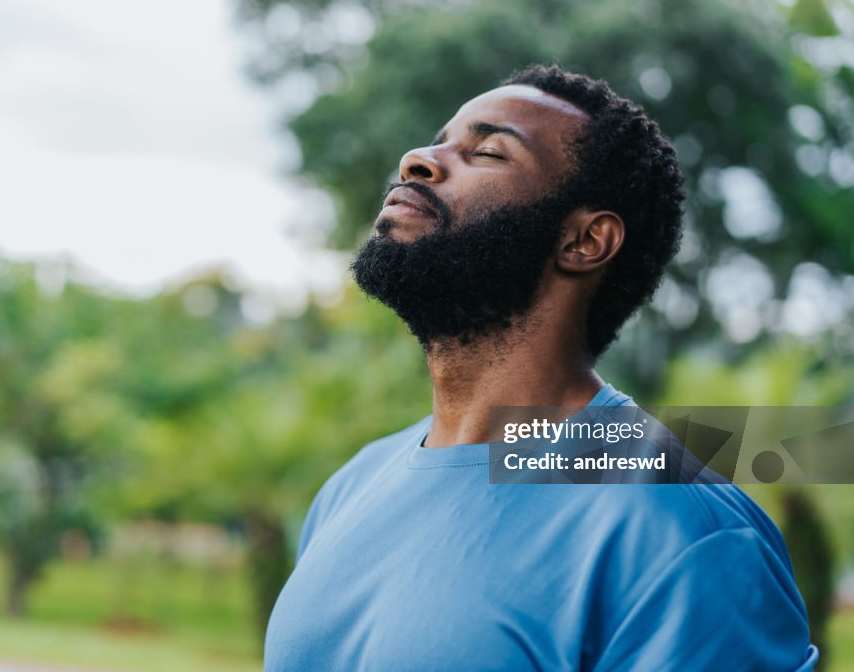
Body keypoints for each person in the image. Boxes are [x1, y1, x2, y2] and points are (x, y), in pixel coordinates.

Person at [263, 64, 819, 671]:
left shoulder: (684, 526)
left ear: (585, 242)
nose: (418, 159)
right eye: (439, 139)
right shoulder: (351, 487)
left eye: (488, 152)